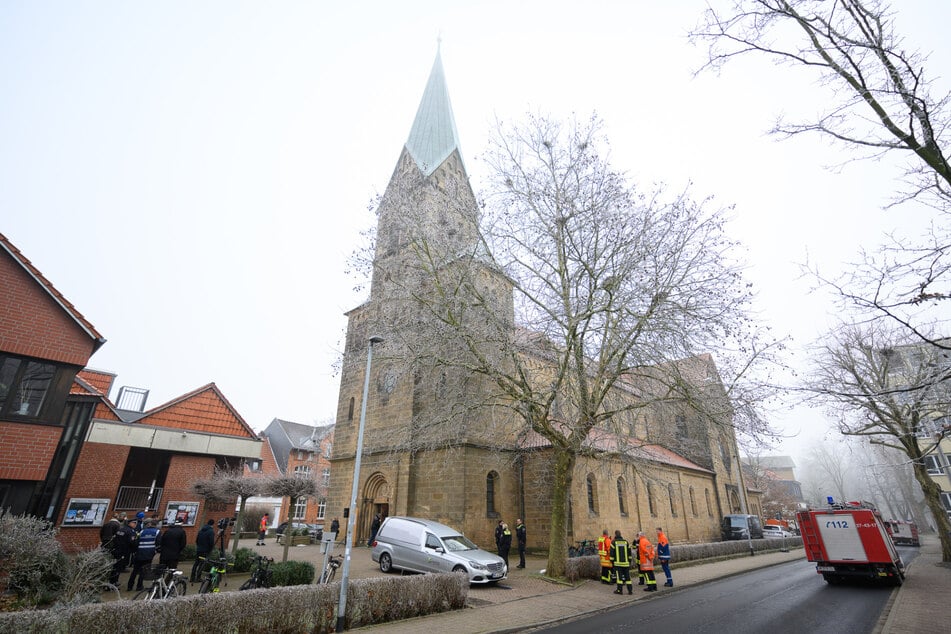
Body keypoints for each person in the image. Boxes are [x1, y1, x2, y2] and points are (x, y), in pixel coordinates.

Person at [127, 519, 159, 592]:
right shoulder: (157, 532)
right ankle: (139, 586)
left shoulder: (142, 531)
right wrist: (155, 551)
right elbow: (159, 543)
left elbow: (136, 541)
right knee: (143, 570)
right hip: (149, 553)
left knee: (135, 570)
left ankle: (130, 586)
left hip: (139, 552)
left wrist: (135, 551)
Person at [109, 518, 137, 586]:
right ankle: (114, 582)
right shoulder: (131, 531)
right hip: (124, 551)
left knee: (114, 566)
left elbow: (115, 539)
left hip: (116, 550)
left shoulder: (121, 529)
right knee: (118, 567)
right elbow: (131, 542)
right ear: (130, 523)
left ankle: (111, 581)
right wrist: (134, 549)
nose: (135, 525)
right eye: (134, 523)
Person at [191, 518, 216, 583]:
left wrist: (199, 546)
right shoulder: (211, 532)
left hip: (199, 549)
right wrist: (210, 549)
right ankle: (198, 578)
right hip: (205, 551)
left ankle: (192, 577)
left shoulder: (201, 530)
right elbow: (211, 542)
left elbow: (197, 540)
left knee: (196, 564)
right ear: (212, 524)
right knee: (201, 564)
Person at [609, 530, 632, 595]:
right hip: (626, 563)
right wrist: (629, 561)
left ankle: (619, 590)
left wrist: (612, 562)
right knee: (628, 577)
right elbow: (629, 553)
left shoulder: (613, 542)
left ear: (615, 535)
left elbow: (611, 554)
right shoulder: (626, 542)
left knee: (619, 578)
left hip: (618, 564)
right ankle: (630, 590)